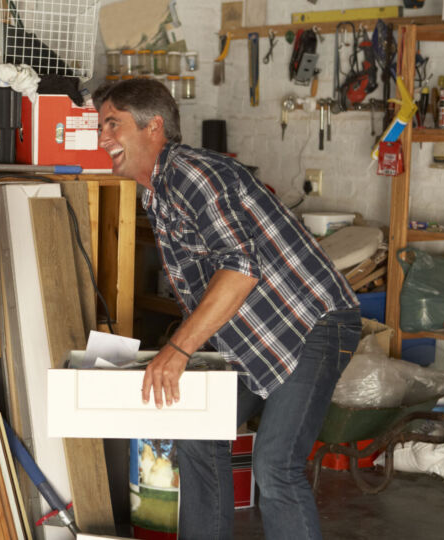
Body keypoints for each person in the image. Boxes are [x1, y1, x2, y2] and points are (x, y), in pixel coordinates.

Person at [93, 78, 361, 539]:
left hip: (309, 322)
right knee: (198, 431)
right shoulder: (156, 191)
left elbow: (240, 269)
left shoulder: (189, 173)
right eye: (101, 127)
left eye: (112, 125)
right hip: (253, 334)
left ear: (153, 126)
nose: (102, 139)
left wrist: (178, 350)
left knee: (276, 464)